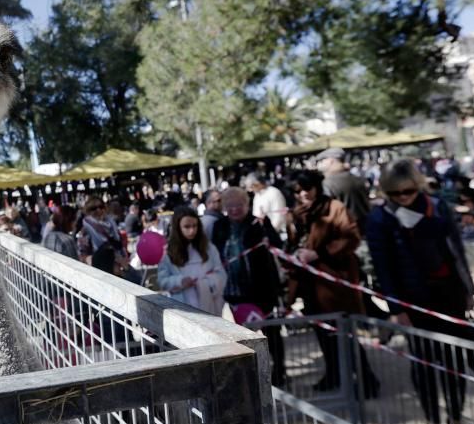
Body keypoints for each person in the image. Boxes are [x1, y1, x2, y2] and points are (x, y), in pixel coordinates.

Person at [366, 159, 474, 424]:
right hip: (413, 302)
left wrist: (468, 289)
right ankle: (433, 421)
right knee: (425, 364)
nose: (404, 197)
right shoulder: (380, 218)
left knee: (455, 360)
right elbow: (384, 268)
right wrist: (397, 309)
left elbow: (456, 251)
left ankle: (456, 417)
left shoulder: (437, 206)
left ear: (417, 185)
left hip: (450, 296)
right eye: (396, 193)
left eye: (408, 191)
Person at [286, 170, 380, 396]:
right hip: (309, 284)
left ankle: (367, 380)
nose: (303, 194)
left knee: (344, 336)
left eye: (306, 189)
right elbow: (295, 242)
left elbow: (351, 237)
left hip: (334, 284)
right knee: (323, 334)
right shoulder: (297, 213)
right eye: (297, 191)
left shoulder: (335, 208)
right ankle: (334, 375)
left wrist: (319, 253)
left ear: (317, 187)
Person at [211, 187, 287, 385]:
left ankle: (279, 370)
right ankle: (252, 373)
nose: (234, 209)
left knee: (271, 332)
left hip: (261, 287)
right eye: (230, 206)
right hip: (234, 290)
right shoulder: (220, 225)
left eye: (239, 205)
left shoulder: (258, 222)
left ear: (247, 204)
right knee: (244, 334)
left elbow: (276, 244)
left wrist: (266, 232)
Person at [157, 206, 226, 315]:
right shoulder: (168, 252)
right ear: (178, 227)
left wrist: (206, 283)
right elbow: (162, 280)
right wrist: (180, 281)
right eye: (187, 226)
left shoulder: (209, 248)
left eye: (195, 226)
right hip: (183, 309)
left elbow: (221, 274)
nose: (192, 230)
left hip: (209, 307)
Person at [315, 148, 371, 224]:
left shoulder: (327, 184)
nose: (318, 164)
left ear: (330, 160)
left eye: (321, 161)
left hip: (345, 229)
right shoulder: (358, 179)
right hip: (364, 227)